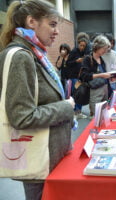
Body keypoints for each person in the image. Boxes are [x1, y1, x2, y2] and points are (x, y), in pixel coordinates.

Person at [0, 1, 75, 199]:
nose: (57, 31)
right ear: (31, 22)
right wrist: (65, 107)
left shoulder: (36, 53)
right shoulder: (21, 57)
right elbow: (22, 117)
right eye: (52, 24)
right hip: (40, 160)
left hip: (49, 156)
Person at [80, 35, 113, 117]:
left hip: (105, 90)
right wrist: (101, 75)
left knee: (104, 116)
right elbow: (84, 76)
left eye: (106, 49)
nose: (105, 51)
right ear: (98, 47)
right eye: (104, 49)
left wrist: (110, 77)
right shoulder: (88, 59)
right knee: (96, 117)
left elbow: (104, 76)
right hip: (95, 91)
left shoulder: (101, 59)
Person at [66, 33, 90, 119]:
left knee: (81, 94)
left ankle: (78, 112)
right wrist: (77, 61)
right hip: (74, 76)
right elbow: (68, 63)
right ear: (78, 44)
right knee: (76, 94)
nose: (82, 47)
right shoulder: (74, 51)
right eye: (81, 45)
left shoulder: (85, 52)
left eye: (84, 46)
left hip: (81, 76)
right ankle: (75, 112)